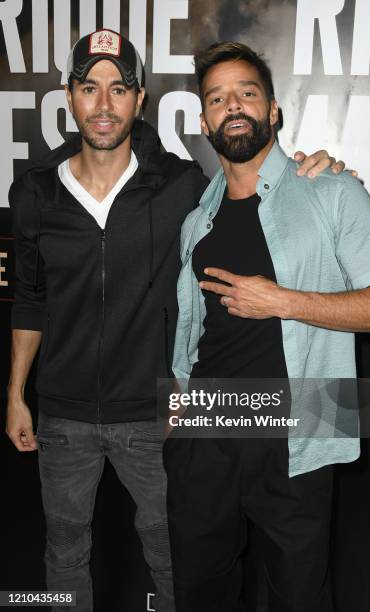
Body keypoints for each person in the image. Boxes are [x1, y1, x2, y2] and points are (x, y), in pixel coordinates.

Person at [6, 29, 347, 612]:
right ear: (70, 98)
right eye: (90, 88)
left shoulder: (182, 185)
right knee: (62, 554)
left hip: (155, 416)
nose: (104, 104)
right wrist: (16, 392)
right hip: (62, 414)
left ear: (140, 100)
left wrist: (325, 172)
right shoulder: (35, 192)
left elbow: (256, 180)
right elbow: (31, 298)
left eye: (120, 89)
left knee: (176, 561)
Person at [164, 41, 370, 612]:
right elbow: (191, 333)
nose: (234, 106)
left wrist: (282, 301)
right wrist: (177, 415)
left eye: (247, 93)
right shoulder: (197, 219)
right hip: (205, 430)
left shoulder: (332, 191)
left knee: (299, 596)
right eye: (218, 98)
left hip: (303, 419)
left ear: (273, 110)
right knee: (200, 592)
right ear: (203, 121)